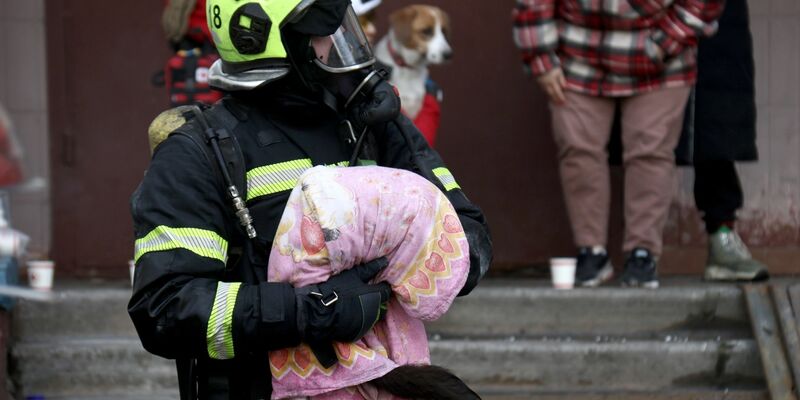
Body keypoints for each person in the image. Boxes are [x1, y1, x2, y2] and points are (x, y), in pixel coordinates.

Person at [128, 1, 492, 399]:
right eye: (324, 31)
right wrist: (311, 310)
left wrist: (419, 257)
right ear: (262, 38)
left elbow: (470, 243)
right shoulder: (197, 153)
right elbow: (165, 311)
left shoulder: (368, 124)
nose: (340, 42)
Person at [513, 0, 724, 288]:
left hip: (660, 55)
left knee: (651, 152)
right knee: (578, 149)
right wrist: (541, 57)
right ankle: (591, 252)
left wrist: (666, 42)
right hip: (577, 52)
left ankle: (643, 254)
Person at [679, 0, 769, 281]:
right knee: (637, 139)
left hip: (717, 23)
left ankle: (722, 237)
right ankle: (635, 253)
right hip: (642, 21)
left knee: (717, 123)